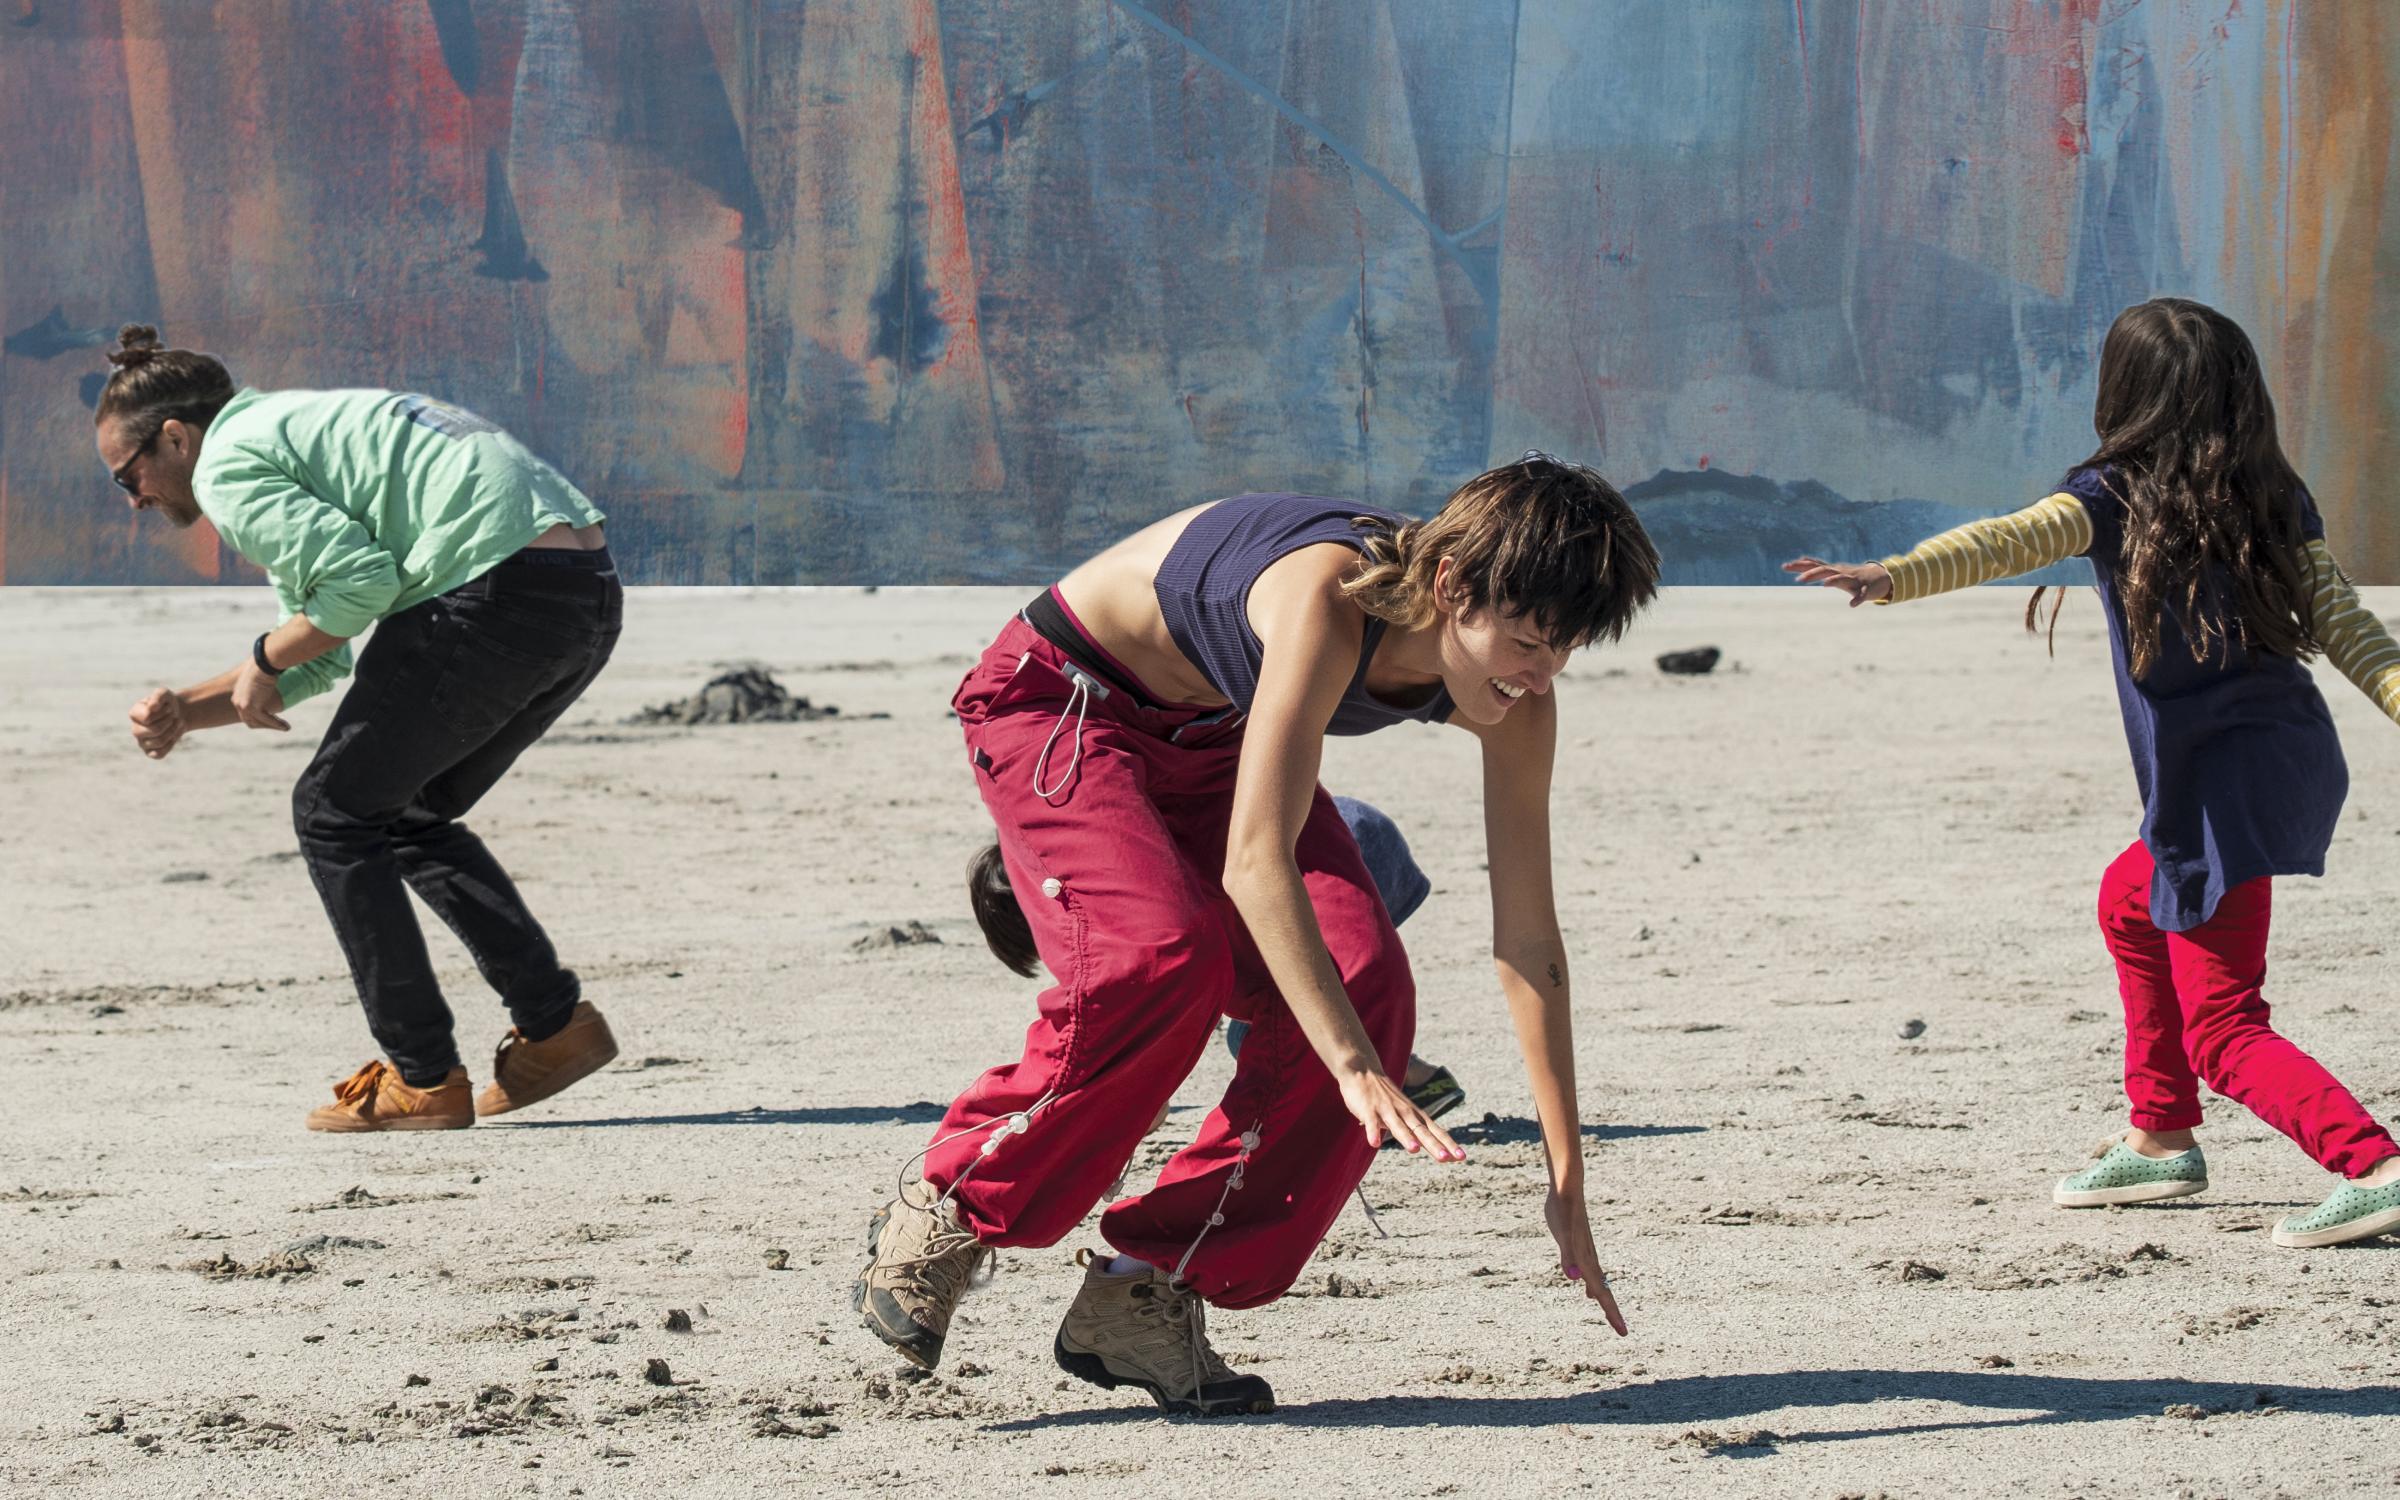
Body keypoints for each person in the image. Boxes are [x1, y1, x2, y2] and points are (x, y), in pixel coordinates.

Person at [856, 455, 1658, 1415]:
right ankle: (951, 1203)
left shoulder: (1520, 697)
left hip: (1216, 734)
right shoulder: (1326, 598)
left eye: (1564, 651)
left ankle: (1148, 1288)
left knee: (1366, 985)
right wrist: (1353, 1069)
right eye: (1528, 641)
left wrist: (1566, 1179)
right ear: (1451, 586)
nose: (1541, 675)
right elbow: (1255, 864)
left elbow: (1531, 942)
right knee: (1160, 959)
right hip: (1062, 700)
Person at [1787, 297, 2400, 1251]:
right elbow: (2351, 628)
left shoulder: (2113, 495)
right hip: (2284, 761)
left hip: (2218, 796)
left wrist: (1894, 572)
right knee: (2129, 901)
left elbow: (2005, 539)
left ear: (2124, 397)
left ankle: (2373, 1163)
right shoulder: (2271, 494)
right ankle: (2160, 1138)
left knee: (2225, 1029)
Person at [97, 326, 624, 1133]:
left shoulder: (232, 467)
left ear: (175, 437)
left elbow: (356, 589)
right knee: (402, 809)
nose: (134, 498)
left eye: (127, 475)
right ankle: (555, 1028)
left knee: (333, 812)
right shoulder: (291, 433)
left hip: (494, 590)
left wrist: (262, 658)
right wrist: (190, 711)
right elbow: (321, 647)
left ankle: (421, 1078)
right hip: (579, 591)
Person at [970, 797, 1469, 1121]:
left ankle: (1409, 1084)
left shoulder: (1140, 900)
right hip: (1337, 835)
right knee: (1281, 1013)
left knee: (1268, 1030)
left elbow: (1168, 1016)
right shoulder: (1109, 859)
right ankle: (1405, 1079)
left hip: (1342, 855)